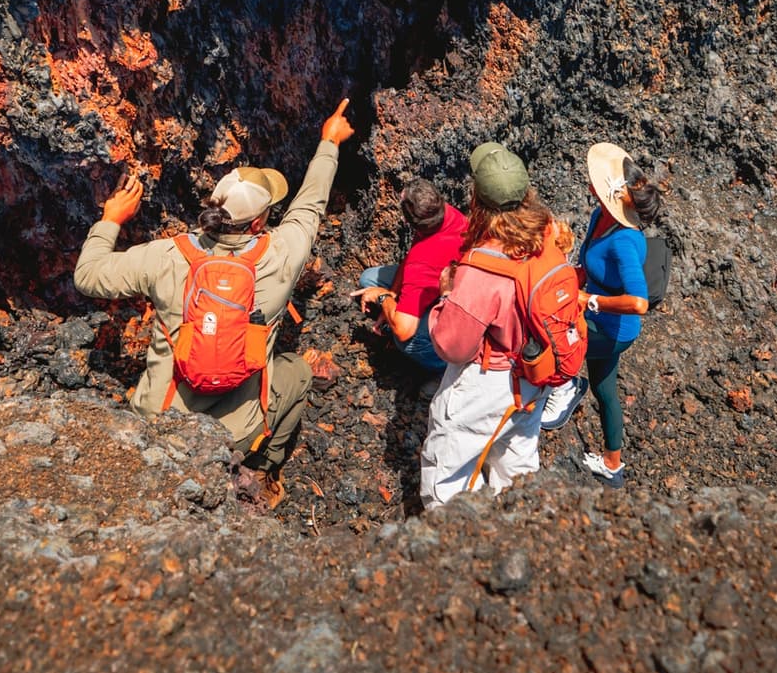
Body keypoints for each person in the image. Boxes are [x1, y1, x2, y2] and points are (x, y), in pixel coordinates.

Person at [73, 99, 358, 509]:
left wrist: (111, 220)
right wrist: (329, 143)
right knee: (295, 372)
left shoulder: (165, 256)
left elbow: (88, 276)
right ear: (259, 223)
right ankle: (263, 468)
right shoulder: (281, 255)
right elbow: (310, 205)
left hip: (159, 423)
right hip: (232, 435)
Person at [418, 142, 571, 506]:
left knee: (447, 472)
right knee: (516, 463)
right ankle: (516, 536)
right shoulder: (549, 233)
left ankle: (452, 551)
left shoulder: (483, 265)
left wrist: (445, 296)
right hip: (536, 371)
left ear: (477, 199)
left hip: (492, 381)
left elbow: (453, 347)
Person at [563, 142, 663, 489]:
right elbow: (588, 261)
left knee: (553, 337)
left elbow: (639, 302)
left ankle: (564, 388)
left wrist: (588, 300)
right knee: (605, 389)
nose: (590, 180)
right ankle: (612, 465)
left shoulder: (624, 240)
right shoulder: (598, 216)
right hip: (607, 325)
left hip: (613, 328)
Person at [353, 178, 465, 373]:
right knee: (369, 279)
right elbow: (412, 256)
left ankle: (449, 369)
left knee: (406, 341)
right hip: (445, 278)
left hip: (457, 305)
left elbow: (404, 330)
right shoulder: (444, 213)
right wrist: (393, 294)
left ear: (407, 221)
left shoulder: (420, 264)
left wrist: (383, 297)